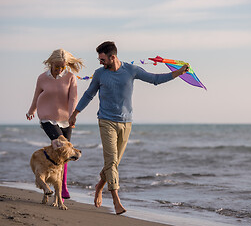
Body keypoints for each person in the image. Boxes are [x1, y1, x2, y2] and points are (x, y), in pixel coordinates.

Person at [69, 41, 188, 215]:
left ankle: (99, 187)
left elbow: (154, 79)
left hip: (126, 122)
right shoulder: (100, 74)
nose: (100, 62)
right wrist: (75, 113)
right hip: (106, 121)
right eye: (99, 59)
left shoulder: (131, 70)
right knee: (111, 161)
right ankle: (116, 201)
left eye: (102, 59)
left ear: (113, 57)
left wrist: (177, 73)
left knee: (114, 163)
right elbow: (89, 94)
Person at [27, 49, 83, 200]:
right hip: (47, 118)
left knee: (64, 154)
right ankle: (50, 182)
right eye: (57, 66)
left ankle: (61, 185)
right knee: (60, 144)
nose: (59, 70)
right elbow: (36, 95)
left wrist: (72, 116)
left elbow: (73, 99)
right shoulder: (42, 78)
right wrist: (32, 110)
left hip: (66, 120)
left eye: (62, 67)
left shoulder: (70, 77)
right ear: (51, 63)